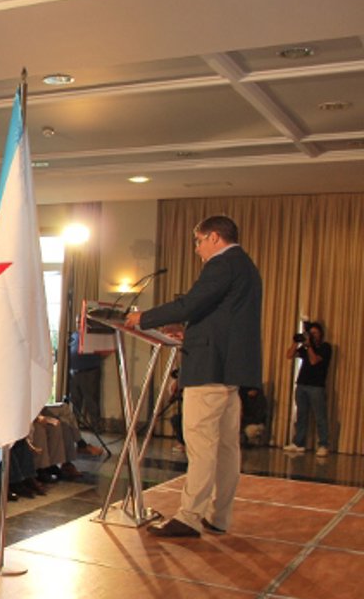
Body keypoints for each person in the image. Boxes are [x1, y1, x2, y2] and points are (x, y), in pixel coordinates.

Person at [127, 215, 262, 537]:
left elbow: (191, 304)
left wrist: (143, 317)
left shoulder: (222, 263)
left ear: (214, 237)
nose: (197, 249)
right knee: (226, 448)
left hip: (209, 369)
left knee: (201, 445)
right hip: (229, 370)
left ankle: (189, 517)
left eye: (199, 241)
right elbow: (223, 319)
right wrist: (191, 332)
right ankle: (218, 516)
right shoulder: (245, 265)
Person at [284, 321, 332, 455]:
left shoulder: (325, 347)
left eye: (315, 333)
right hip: (302, 384)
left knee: (320, 416)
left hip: (316, 387)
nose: (313, 335)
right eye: (311, 333)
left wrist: (309, 346)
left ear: (321, 334)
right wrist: (296, 342)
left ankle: (323, 445)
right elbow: (289, 355)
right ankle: (298, 443)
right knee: (301, 415)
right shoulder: (305, 348)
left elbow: (314, 361)